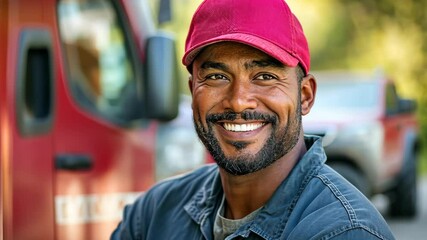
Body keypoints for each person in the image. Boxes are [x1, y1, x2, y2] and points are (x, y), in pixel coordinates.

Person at [111, 0, 395, 239]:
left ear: (305, 95)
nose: (238, 99)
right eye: (216, 77)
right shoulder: (153, 214)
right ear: (192, 92)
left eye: (265, 77)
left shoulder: (344, 232)